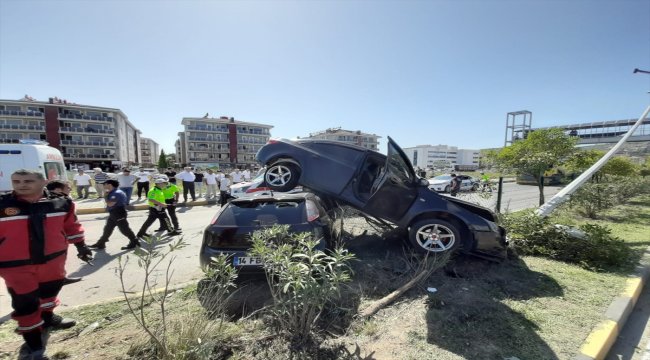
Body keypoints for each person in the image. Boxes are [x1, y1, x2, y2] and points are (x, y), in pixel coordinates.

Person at [0, 169, 93, 360]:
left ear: (43, 182)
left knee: (50, 292)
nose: (21, 184)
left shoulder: (61, 202)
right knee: (25, 303)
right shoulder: (3, 204)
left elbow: (71, 226)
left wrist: (82, 247)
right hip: (15, 265)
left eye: (27, 180)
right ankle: (34, 343)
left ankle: (48, 319)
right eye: (16, 181)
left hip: (53, 260)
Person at [45, 180, 83, 286]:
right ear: (58, 190)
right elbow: (71, 224)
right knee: (56, 259)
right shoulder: (63, 202)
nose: (70, 190)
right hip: (55, 239)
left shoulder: (39, 199)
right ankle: (57, 279)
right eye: (68, 188)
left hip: (50, 238)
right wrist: (80, 245)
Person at [88, 179, 140, 250]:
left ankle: (134, 241)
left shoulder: (116, 193)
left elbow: (110, 204)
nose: (103, 185)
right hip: (114, 213)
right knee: (107, 229)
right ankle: (101, 243)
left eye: (104, 184)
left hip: (118, 213)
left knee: (124, 229)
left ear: (109, 185)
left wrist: (105, 196)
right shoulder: (113, 192)